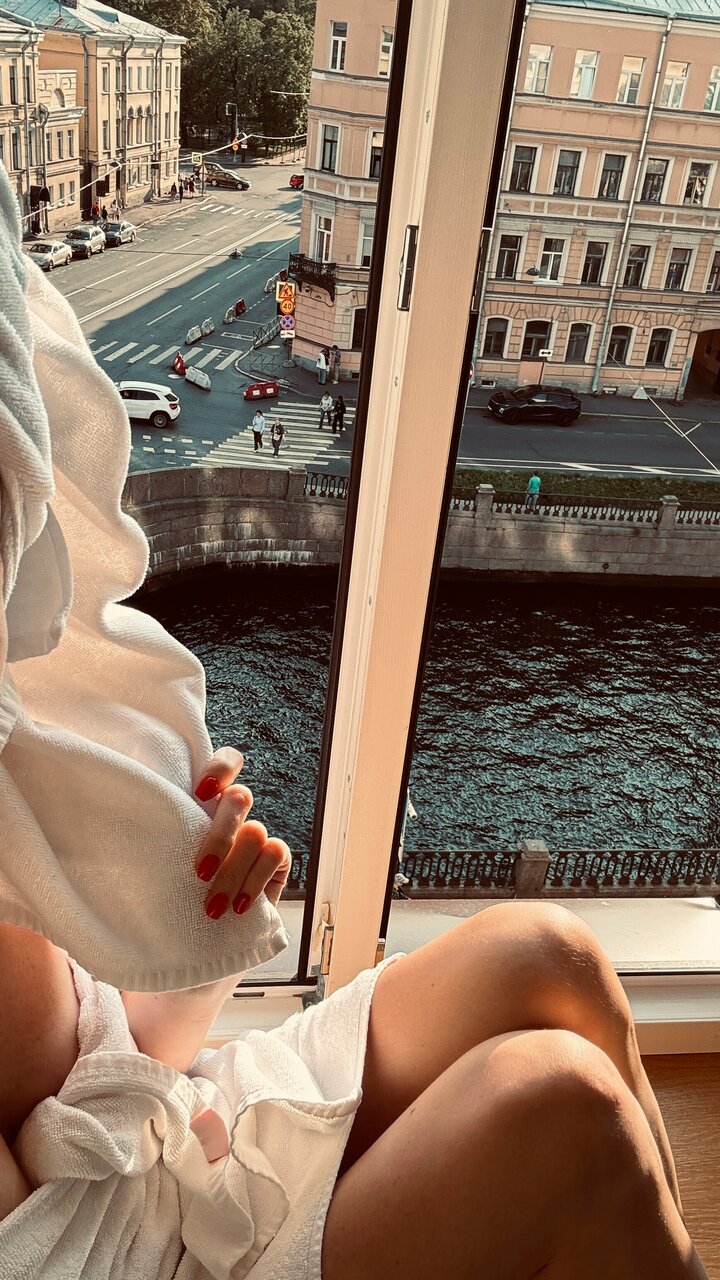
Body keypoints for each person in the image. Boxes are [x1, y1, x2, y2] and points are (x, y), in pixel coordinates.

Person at [0, 168, 708, 1280]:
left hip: (178, 1133)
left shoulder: (28, 743)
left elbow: (124, 1063)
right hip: (140, 1254)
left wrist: (191, 926)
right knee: (568, 1113)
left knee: (553, 954)